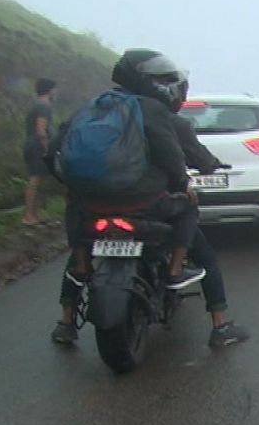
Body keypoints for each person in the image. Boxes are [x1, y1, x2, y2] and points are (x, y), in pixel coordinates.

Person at [50, 51, 248, 347]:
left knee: (78, 239)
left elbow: (54, 152)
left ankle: (66, 322)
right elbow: (172, 157)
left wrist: (74, 186)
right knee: (195, 224)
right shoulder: (155, 112)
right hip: (144, 204)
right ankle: (207, 309)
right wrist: (186, 183)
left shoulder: (93, 107)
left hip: (92, 204)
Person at [22, 78, 58, 226]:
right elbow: (41, 130)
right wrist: (46, 148)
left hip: (32, 144)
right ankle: (29, 216)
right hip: (38, 146)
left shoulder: (37, 104)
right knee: (35, 181)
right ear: (50, 90)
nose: (57, 92)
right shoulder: (44, 105)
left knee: (39, 180)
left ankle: (36, 214)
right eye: (55, 89)